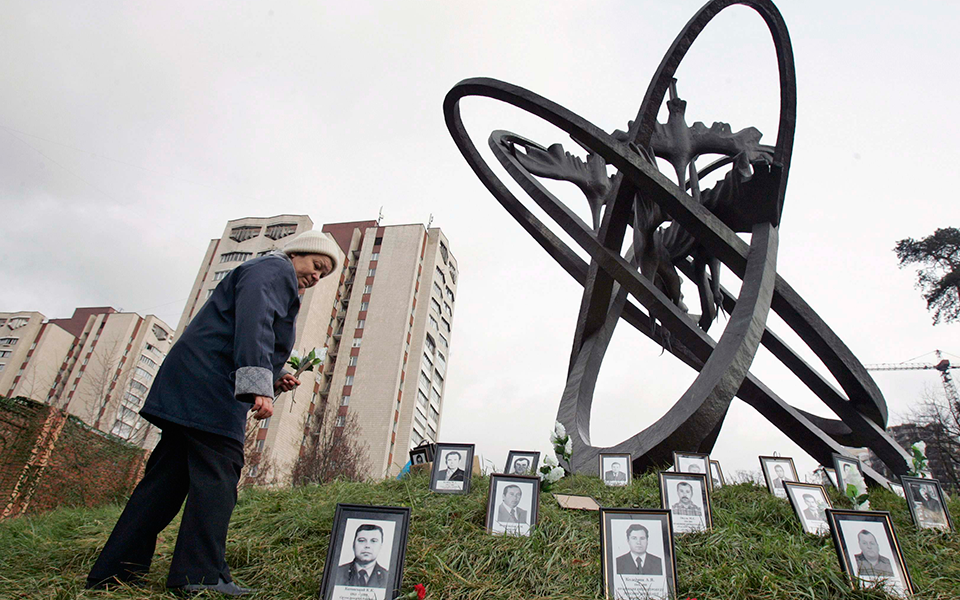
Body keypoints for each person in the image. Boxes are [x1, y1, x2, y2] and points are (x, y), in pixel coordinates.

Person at [86, 230, 340, 596]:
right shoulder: (274, 269)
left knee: (164, 484)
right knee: (219, 476)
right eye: (316, 266)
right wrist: (257, 383)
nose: (316, 277)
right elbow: (255, 322)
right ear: (297, 253)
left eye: (324, 275)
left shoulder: (266, 272)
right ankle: (200, 577)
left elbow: (238, 328)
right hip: (210, 387)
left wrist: (277, 373)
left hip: (192, 384)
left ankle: (114, 571)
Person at [335, 524, 390, 588]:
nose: (367, 545)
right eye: (362, 540)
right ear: (353, 544)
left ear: (381, 546)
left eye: (373, 541)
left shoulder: (388, 577)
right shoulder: (337, 573)